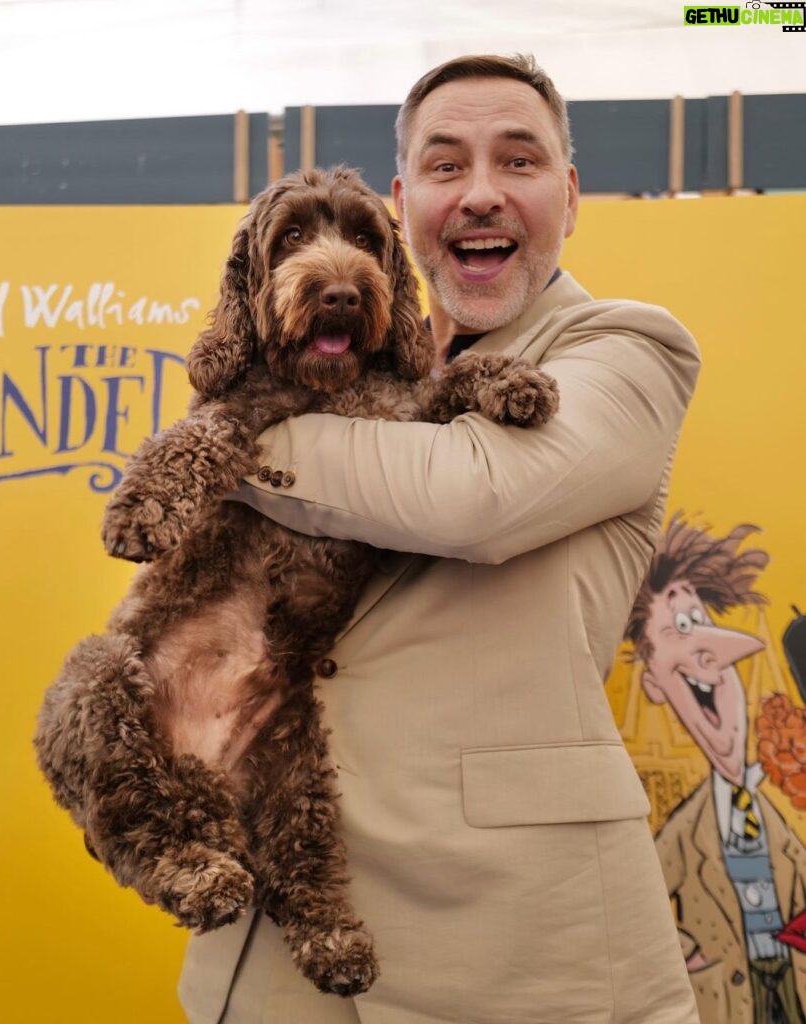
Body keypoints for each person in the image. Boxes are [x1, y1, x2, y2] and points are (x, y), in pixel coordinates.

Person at [178, 54, 701, 1024]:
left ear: (571, 195)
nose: (482, 194)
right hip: (276, 950)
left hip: (516, 958)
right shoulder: (352, 368)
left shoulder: (627, 350)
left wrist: (221, 438)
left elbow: (475, 494)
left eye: (519, 161)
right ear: (399, 202)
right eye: (447, 165)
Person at [627, 516, 806, 1023]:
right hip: (726, 997)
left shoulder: (776, 813)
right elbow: (633, 904)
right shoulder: (680, 834)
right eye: (677, 629)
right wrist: (688, 957)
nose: (704, 648)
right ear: (655, 682)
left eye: (698, 620)